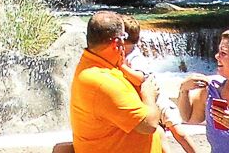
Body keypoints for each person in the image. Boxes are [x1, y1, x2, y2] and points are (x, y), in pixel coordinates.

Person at [54, 10, 163, 153]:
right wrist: (149, 95)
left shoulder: (93, 65)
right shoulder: (102, 82)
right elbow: (149, 125)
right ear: (116, 43)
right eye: (124, 37)